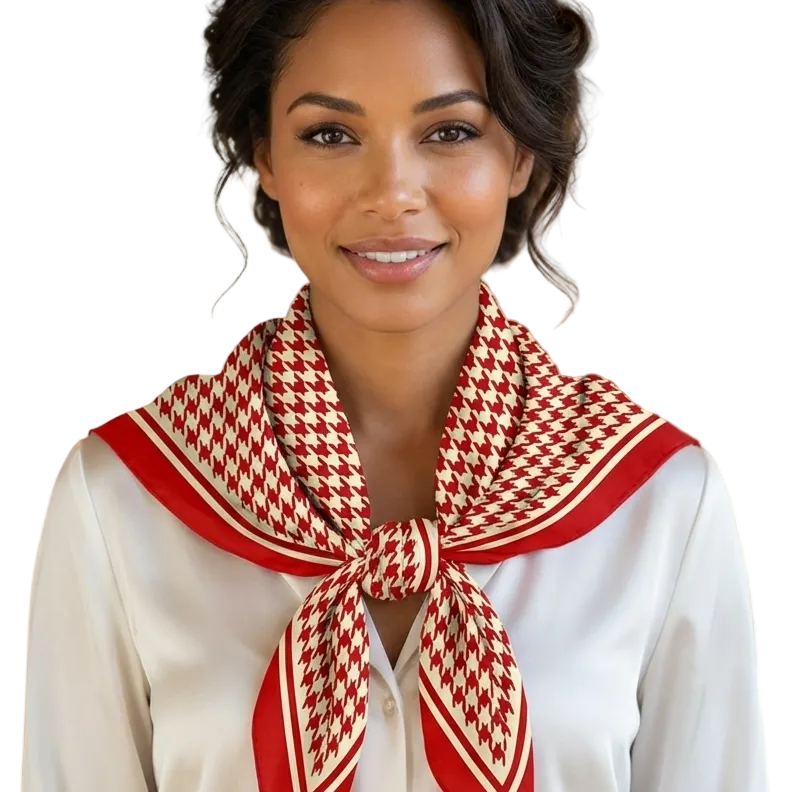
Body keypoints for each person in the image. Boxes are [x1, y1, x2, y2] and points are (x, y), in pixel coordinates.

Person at [21, 0, 768, 790]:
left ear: (520, 155)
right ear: (264, 156)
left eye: (449, 132)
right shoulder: (125, 500)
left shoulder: (657, 502)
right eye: (330, 135)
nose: (392, 193)